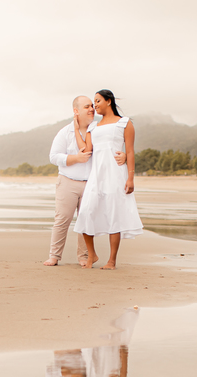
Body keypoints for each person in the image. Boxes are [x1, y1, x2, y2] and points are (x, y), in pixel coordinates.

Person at [45, 96, 126, 267]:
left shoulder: (97, 129)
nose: (91, 109)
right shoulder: (65, 132)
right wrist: (75, 158)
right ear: (76, 111)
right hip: (68, 181)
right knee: (62, 219)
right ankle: (54, 256)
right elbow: (53, 157)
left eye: (92, 106)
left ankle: (84, 256)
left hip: (91, 183)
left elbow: (109, 148)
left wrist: (124, 155)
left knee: (86, 219)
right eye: (87, 106)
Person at [72, 89, 143, 270]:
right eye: (93, 102)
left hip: (115, 174)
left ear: (108, 101)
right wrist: (76, 128)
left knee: (114, 215)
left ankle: (112, 261)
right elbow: (86, 150)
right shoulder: (93, 127)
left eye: (98, 101)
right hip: (96, 176)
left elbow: (130, 151)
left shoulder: (124, 123)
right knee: (86, 212)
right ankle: (92, 255)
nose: (95, 105)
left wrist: (130, 178)